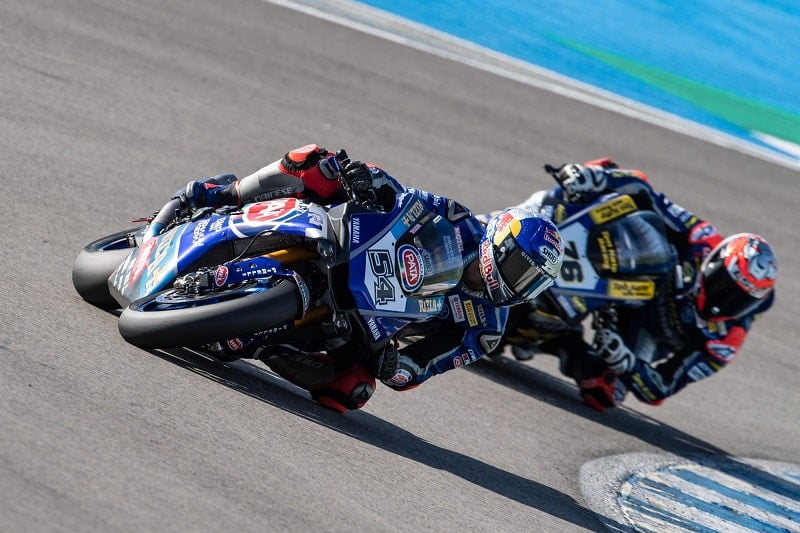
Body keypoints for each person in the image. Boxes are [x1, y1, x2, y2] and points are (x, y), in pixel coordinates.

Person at [174, 144, 565, 412]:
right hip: (360, 255)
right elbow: (405, 198)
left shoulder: (486, 329)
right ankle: (220, 195)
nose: (520, 285)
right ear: (500, 241)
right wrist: (369, 181)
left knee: (351, 391)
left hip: (370, 325)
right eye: (521, 270)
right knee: (316, 162)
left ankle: (256, 344)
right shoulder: (457, 218)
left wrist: (397, 366)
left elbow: (424, 366)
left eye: (532, 282)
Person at [499, 157, 778, 411]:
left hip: (646, 331)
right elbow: (644, 191)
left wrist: (627, 363)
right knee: (604, 175)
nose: (726, 303)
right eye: (726, 289)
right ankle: (529, 224)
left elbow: (660, 389)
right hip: (632, 274)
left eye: (740, 301)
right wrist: (594, 177)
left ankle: (561, 341)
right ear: (715, 263)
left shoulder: (725, 341)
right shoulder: (702, 239)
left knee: (604, 391)